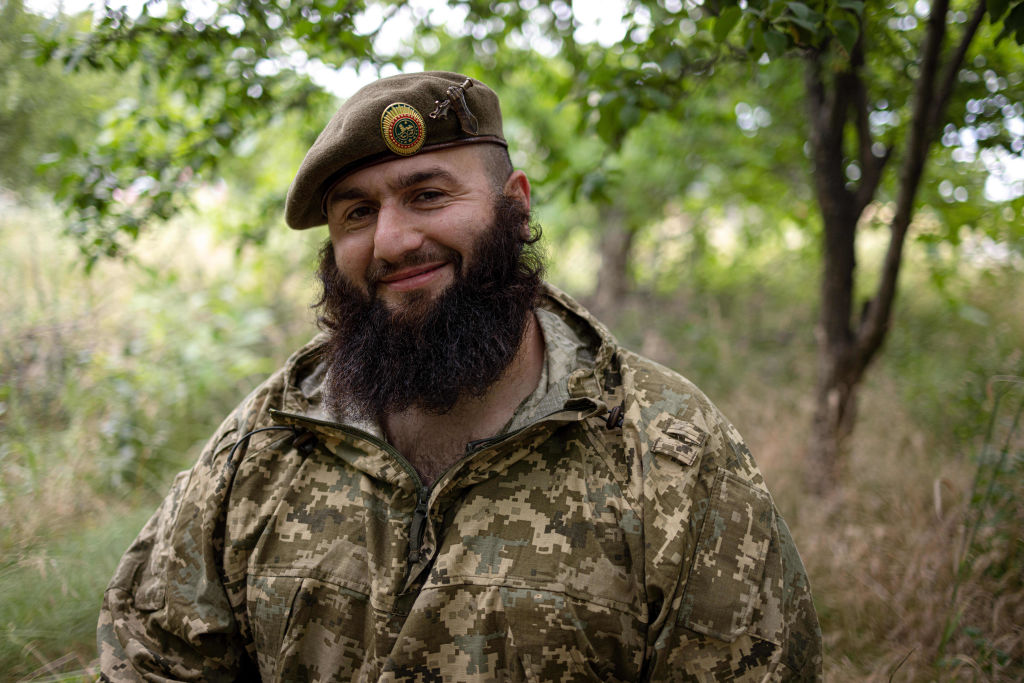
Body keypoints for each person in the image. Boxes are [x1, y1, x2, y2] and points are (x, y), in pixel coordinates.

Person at [98, 71, 822, 681]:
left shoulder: (666, 452)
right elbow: (149, 658)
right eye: (357, 213)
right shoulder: (265, 444)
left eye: (428, 195)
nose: (393, 240)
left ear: (516, 202)